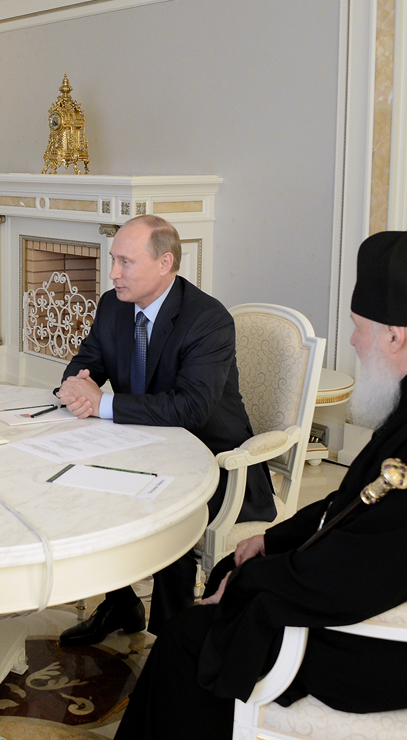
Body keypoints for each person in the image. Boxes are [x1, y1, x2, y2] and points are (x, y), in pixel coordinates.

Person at [114, 231, 407, 740]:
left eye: (359, 329)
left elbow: (369, 569)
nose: (354, 342)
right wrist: (273, 540)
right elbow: (359, 504)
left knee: (191, 637)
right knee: (233, 571)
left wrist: (254, 584)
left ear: (395, 336)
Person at [55, 214, 276, 646]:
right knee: (80, 487)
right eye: (113, 260)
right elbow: (84, 366)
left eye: (125, 262)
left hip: (212, 461)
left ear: (165, 263)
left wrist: (103, 403)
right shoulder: (113, 305)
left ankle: (172, 638)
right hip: (142, 446)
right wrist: (76, 388)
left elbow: (192, 408)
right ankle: (121, 602)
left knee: (165, 511)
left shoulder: (207, 319)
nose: (113, 273)